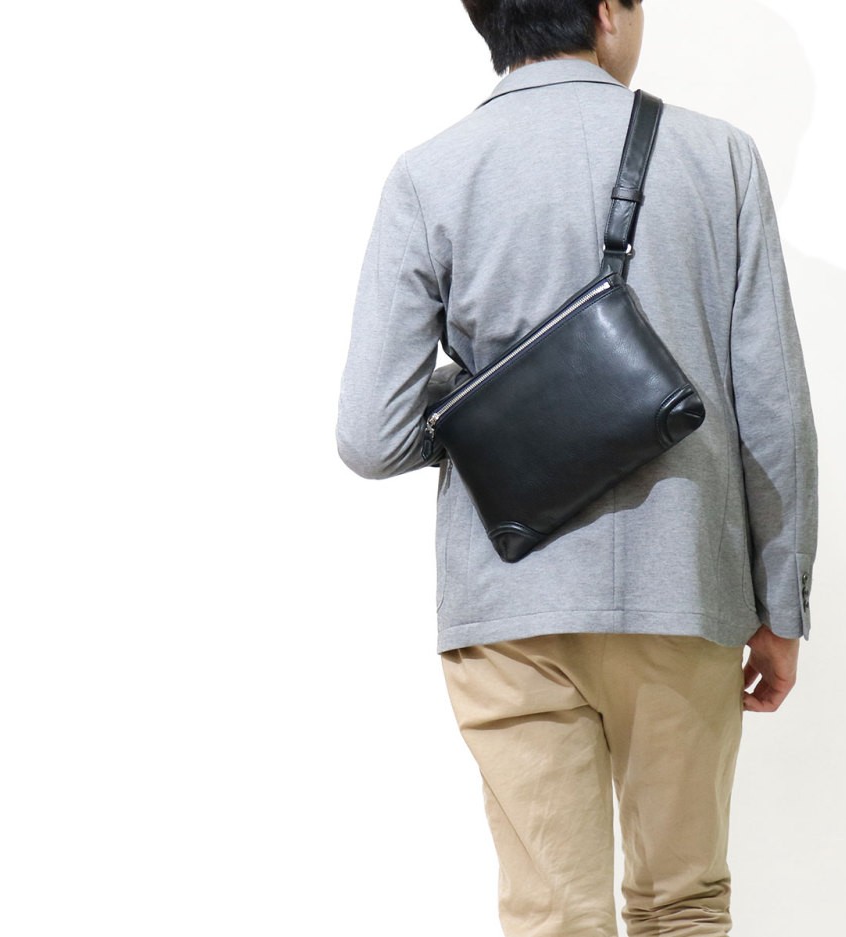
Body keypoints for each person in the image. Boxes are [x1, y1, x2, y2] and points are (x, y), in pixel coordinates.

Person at [334, 1, 817, 934]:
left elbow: (371, 433)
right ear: (607, 13)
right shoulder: (720, 158)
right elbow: (775, 408)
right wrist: (782, 606)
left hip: (508, 606)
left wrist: (502, 403)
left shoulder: (430, 176)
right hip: (686, 593)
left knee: (552, 916)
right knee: (683, 903)